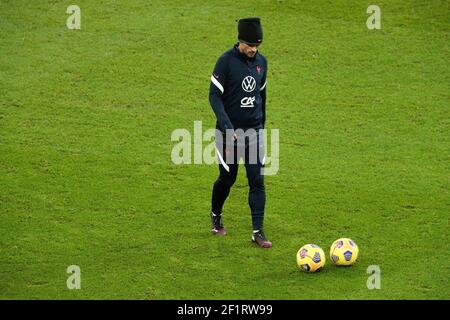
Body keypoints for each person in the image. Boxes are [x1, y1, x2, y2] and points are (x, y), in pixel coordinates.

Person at [208, 17, 272, 248]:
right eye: (250, 46)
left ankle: (258, 232)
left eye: (257, 46)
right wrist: (227, 126)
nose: (253, 50)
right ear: (240, 41)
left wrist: (261, 127)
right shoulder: (225, 62)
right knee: (228, 178)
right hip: (228, 134)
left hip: (254, 133)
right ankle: (216, 215)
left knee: (257, 181)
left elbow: (261, 97)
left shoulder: (261, 63)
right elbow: (214, 97)